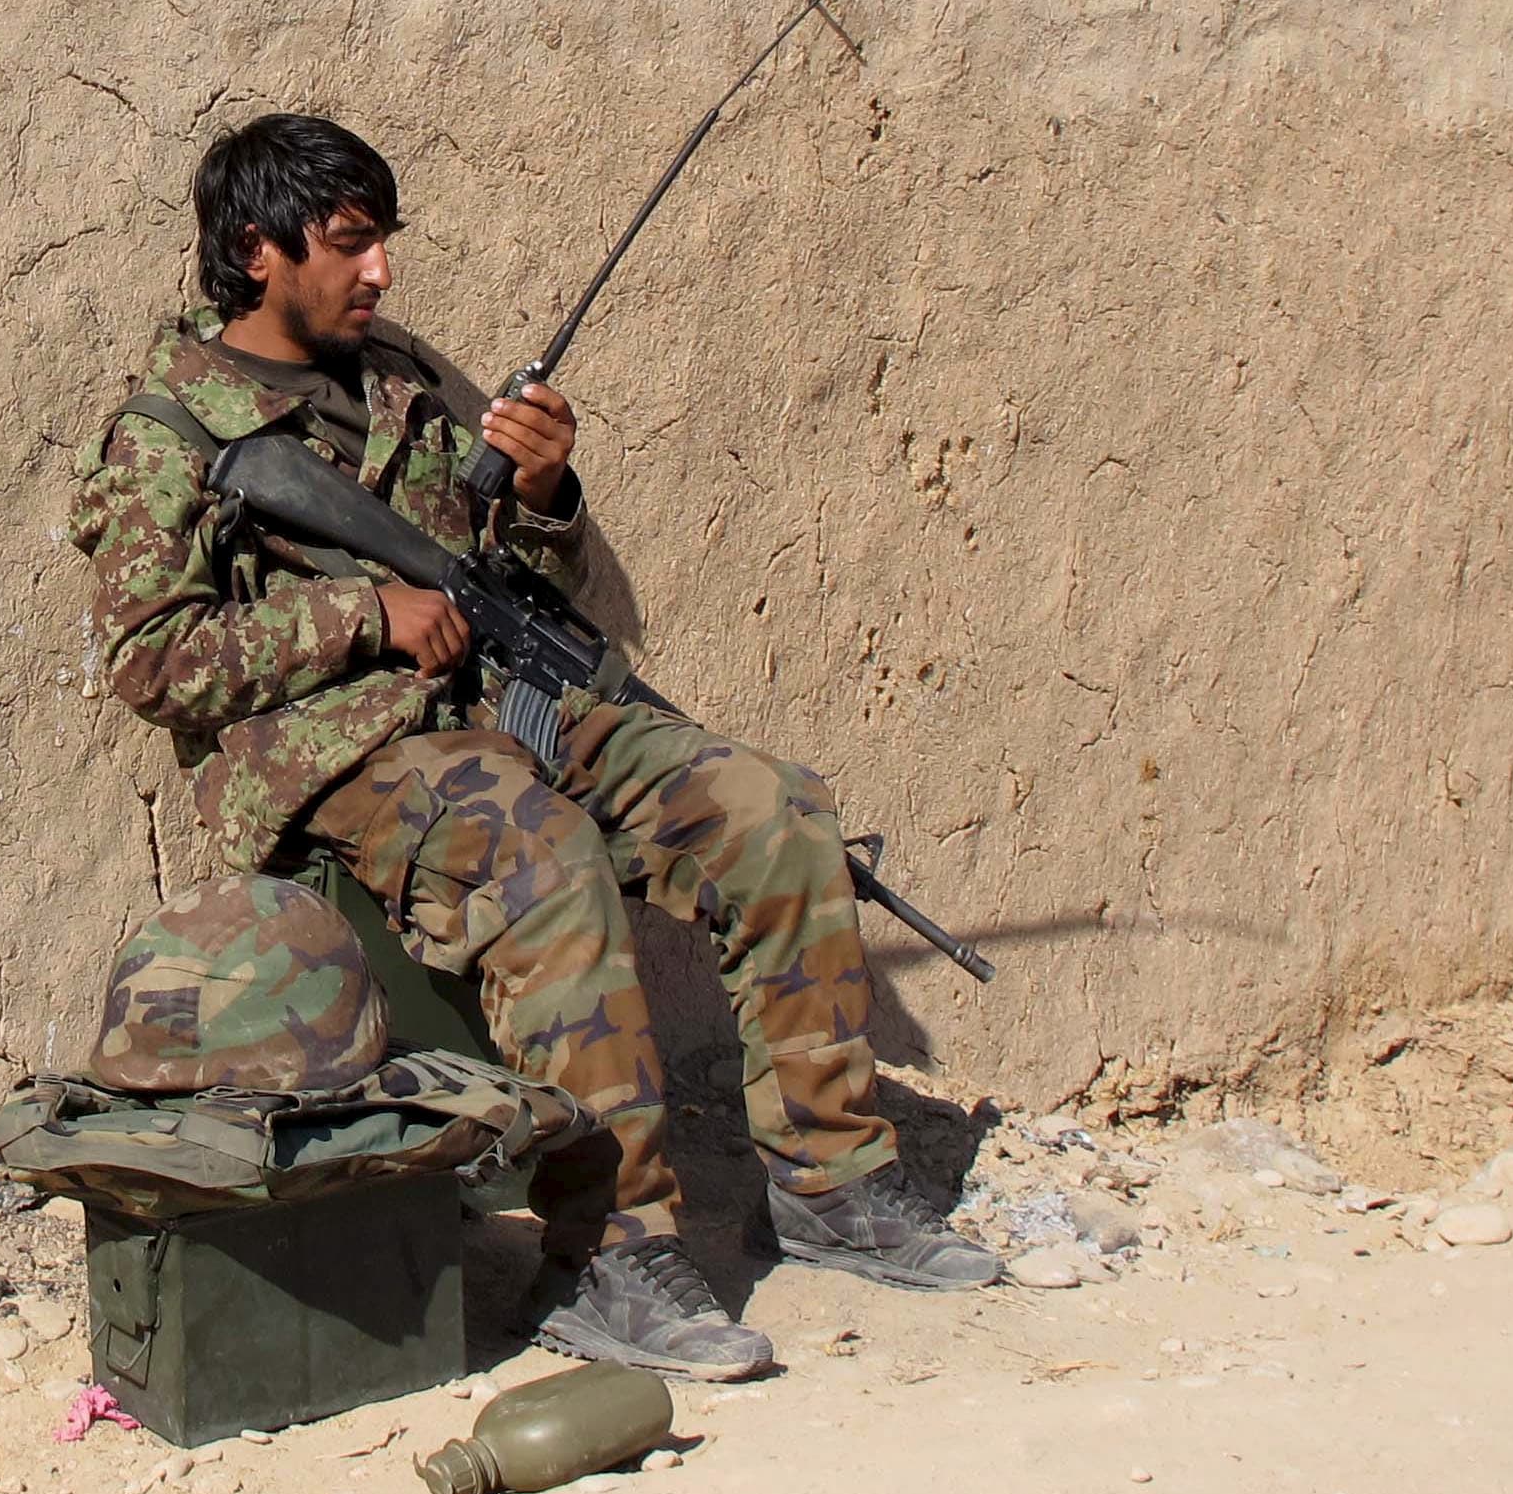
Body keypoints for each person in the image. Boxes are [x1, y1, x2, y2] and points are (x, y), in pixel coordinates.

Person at [67, 112, 999, 1380]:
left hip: (506, 706)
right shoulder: (171, 432)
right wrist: (360, 617)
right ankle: (610, 1254)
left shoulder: (393, 377)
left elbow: (484, 554)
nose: (382, 267)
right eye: (350, 242)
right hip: (343, 756)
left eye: (383, 236)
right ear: (258, 250)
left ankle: (835, 1178)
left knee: (769, 806)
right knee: (541, 853)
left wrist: (546, 490)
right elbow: (150, 660)